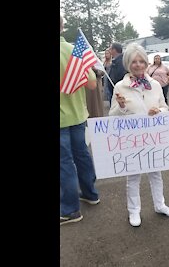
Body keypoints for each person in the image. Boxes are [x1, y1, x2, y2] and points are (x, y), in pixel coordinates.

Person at [109, 43, 169, 227]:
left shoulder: (154, 85)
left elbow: (165, 107)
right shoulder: (120, 87)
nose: (138, 65)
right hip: (132, 140)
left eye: (141, 61)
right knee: (133, 177)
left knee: (156, 173)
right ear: (127, 64)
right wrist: (122, 107)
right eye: (134, 61)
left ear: (146, 63)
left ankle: (160, 204)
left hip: (153, 138)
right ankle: (134, 211)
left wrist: (160, 112)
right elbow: (111, 117)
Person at [60, 15, 100, 226]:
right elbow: (92, 85)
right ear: (63, 26)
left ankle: (69, 210)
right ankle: (91, 194)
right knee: (82, 155)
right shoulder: (75, 51)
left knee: (64, 163)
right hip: (77, 115)